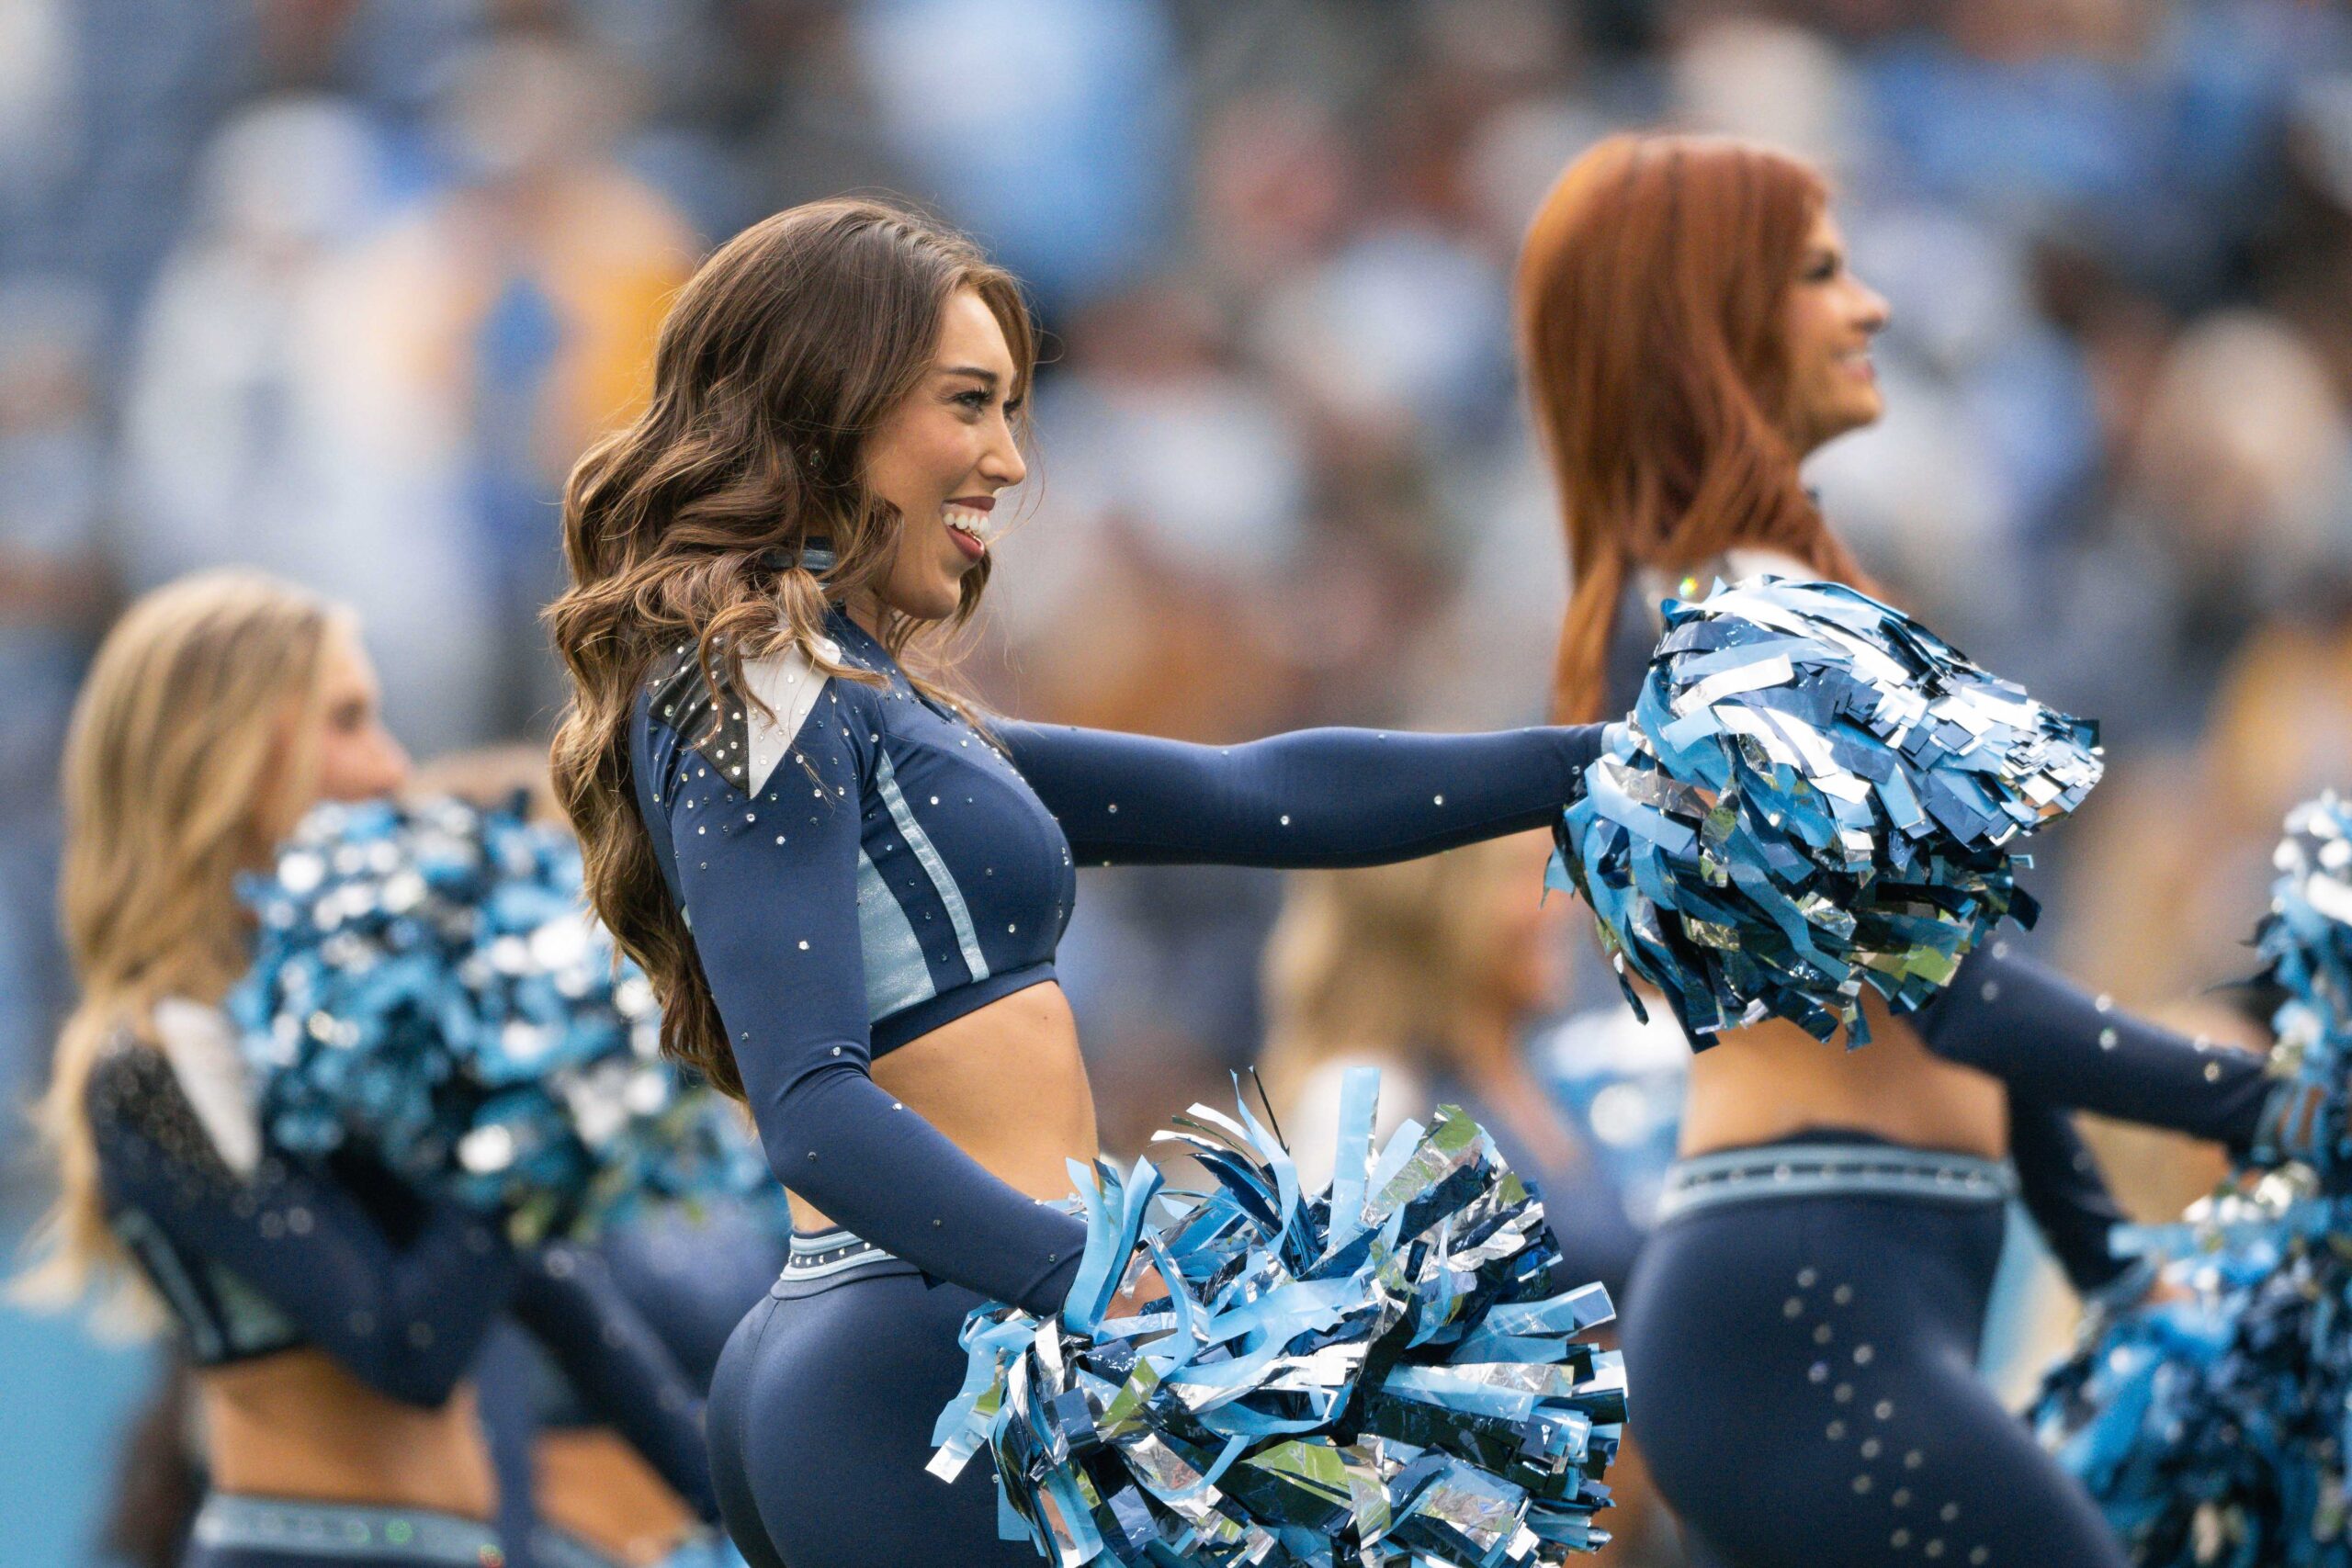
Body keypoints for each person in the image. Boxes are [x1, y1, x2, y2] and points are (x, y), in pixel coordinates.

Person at [545, 197, 1619, 1568]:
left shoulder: (868, 700)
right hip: (921, 1352)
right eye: (968, 403)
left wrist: (1603, 759)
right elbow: (811, 1112)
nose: (1008, 457)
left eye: (1013, 408)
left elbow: (1258, 793)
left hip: (936, 1335)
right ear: (829, 402)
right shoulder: (756, 673)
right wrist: (1123, 1294)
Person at [1516, 133, 2278, 1568]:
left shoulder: (1797, 599)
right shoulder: (1729, 625)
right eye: (1818, 274)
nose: (1868, 307)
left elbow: (1947, 969)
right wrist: (2266, 1099)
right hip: (1807, 1297)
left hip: (1847, 1284)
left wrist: (2111, 1260)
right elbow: (1959, 998)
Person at [17, 571, 712, 1568]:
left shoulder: (347, 1025)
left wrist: (759, 1515)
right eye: (347, 721)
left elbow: (561, 1301)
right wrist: (535, 1095)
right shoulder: (152, 1069)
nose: (393, 768)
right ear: (227, 759)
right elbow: (404, 1348)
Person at [1257, 831, 1670, 1562]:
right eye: (1523, 878)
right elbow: (1326, 1410)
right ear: (1434, 906)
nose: (1561, 906)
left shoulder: (1561, 1081)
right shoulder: (1378, 1104)